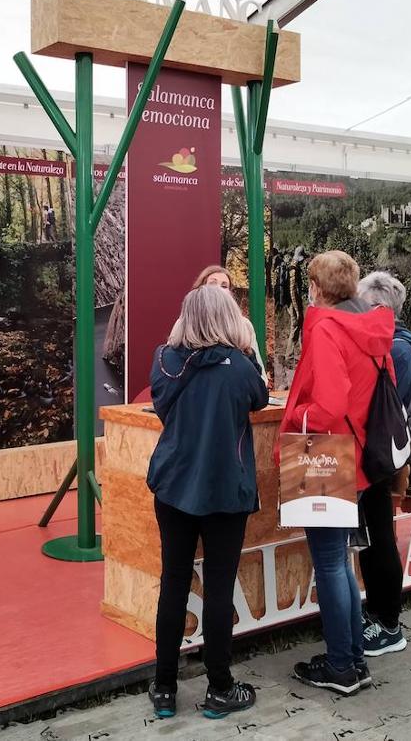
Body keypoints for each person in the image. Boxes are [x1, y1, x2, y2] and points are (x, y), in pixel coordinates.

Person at [276, 250, 396, 695]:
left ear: (317, 288)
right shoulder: (371, 327)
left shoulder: (326, 328)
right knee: (340, 561)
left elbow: (329, 405)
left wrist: (296, 418)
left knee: (329, 563)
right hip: (360, 456)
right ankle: (354, 660)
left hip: (326, 454)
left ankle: (342, 666)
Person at [147, 285, 269, 720]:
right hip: (224, 491)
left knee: (173, 583)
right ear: (229, 317)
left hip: (173, 487)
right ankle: (220, 688)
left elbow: (163, 403)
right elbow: (260, 396)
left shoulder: (164, 360)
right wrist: (247, 347)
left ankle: (164, 688)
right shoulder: (238, 367)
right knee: (219, 588)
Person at [353, 271, 411, 656]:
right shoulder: (394, 346)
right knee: (373, 536)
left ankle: (389, 622)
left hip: (377, 452)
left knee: (379, 537)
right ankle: (377, 612)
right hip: (373, 451)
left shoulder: (395, 350)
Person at [192, 264, 267, 383]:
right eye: (212, 283)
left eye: (224, 286)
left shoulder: (243, 325)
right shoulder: (186, 323)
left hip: (234, 394)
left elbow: (260, 377)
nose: (218, 289)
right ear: (201, 288)